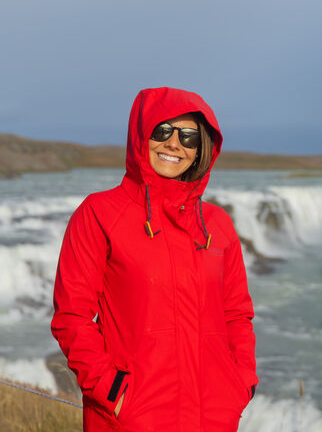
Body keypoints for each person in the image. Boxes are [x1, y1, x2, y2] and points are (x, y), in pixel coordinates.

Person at [51, 87, 257, 432]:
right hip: (133, 415)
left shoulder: (217, 223)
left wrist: (241, 383)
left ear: (201, 149)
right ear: (140, 137)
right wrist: (113, 392)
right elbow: (72, 317)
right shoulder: (99, 213)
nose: (175, 143)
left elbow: (236, 313)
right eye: (163, 131)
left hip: (214, 414)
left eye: (189, 137)